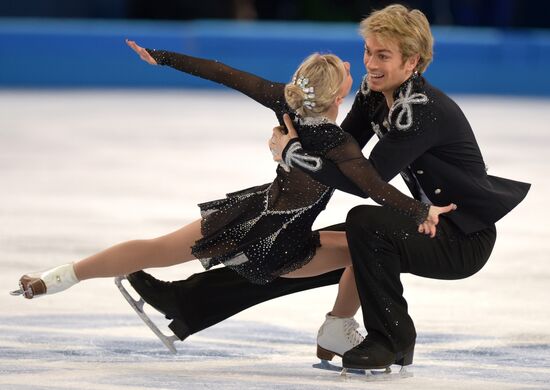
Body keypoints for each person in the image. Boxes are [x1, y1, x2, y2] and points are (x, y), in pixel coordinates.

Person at [122, 3, 530, 371]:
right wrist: (298, 128)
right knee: (294, 252)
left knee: (365, 224)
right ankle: (190, 301)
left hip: (460, 238)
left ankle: (391, 339)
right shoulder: (376, 95)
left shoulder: (419, 112)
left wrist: (292, 154)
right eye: (368, 51)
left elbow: (366, 181)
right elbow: (338, 146)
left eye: (383, 55)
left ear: (413, 63)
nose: (370, 63)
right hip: (419, 222)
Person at [11, 43, 454, 361]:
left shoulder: (285, 102)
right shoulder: (339, 145)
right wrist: (419, 210)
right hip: (281, 249)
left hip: (242, 218)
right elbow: (374, 187)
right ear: (339, 97)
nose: (348, 61)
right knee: (369, 248)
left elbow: (222, 72)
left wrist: (164, 58)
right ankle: (338, 328)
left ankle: (55, 278)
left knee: (154, 248)